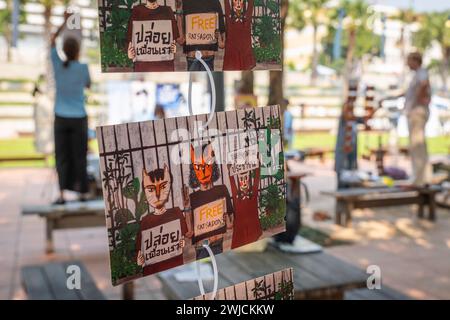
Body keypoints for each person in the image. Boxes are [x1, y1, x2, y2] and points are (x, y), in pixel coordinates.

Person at [50, 11, 91, 204]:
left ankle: (61, 194)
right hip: (79, 118)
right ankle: (82, 193)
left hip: (61, 117)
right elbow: (88, 85)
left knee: (62, 156)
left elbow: (51, 41)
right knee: (79, 155)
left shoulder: (59, 66)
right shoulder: (83, 68)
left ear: (64, 50)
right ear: (78, 50)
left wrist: (63, 22)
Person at [380, 52, 432, 185]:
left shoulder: (421, 72)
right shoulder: (417, 74)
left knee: (417, 145)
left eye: (409, 61)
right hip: (416, 110)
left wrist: (418, 101)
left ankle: (419, 179)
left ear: (415, 61)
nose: (407, 64)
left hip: (417, 112)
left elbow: (424, 85)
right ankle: (423, 177)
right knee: (418, 146)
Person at [126, 0, 179, 72]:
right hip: (143, 71)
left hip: (164, 69)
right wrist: (130, 53)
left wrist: (174, 48)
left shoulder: (167, 11)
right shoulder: (137, 12)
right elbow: (130, 40)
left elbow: (174, 39)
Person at [177, 0, 226, 71]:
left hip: (207, 55)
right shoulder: (184, 2)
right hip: (194, 55)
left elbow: (221, 29)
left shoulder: (215, 2)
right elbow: (180, 39)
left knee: (206, 80)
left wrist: (221, 40)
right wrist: (178, 11)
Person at [222, 0, 256, 70]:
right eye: (235, 1)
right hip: (232, 47)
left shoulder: (246, 18)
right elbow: (227, 6)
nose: (238, 4)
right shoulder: (230, 19)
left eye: (240, 1)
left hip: (244, 46)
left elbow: (250, 5)